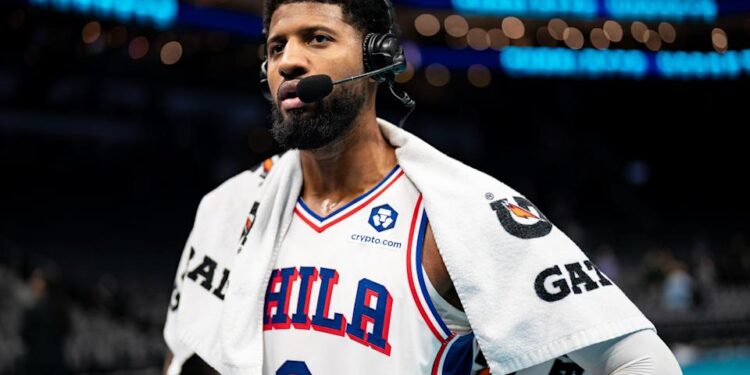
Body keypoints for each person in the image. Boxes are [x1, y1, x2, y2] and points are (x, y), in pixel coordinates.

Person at [163, 1, 682, 374]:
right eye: (277, 47)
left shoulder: (462, 213)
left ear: (377, 59)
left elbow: (639, 360)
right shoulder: (228, 210)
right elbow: (183, 355)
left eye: (317, 38)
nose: (289, 61)